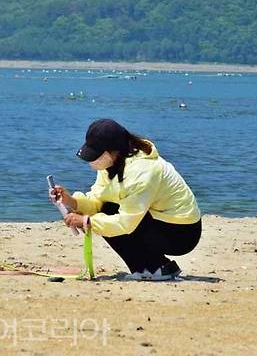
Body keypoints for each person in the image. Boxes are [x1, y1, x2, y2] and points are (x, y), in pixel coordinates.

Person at [50, 118, 202, 280]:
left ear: (113, 151)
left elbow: (126, 223)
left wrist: (86, 221)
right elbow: (98, 201)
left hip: (182, 231)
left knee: (110, 214)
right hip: (159, 220)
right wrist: (70, 201)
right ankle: (158, 266)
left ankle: (153, 269)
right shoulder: (113, 164)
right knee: (107, 208)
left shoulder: (142, 171)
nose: (93, 161)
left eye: (96, 155)